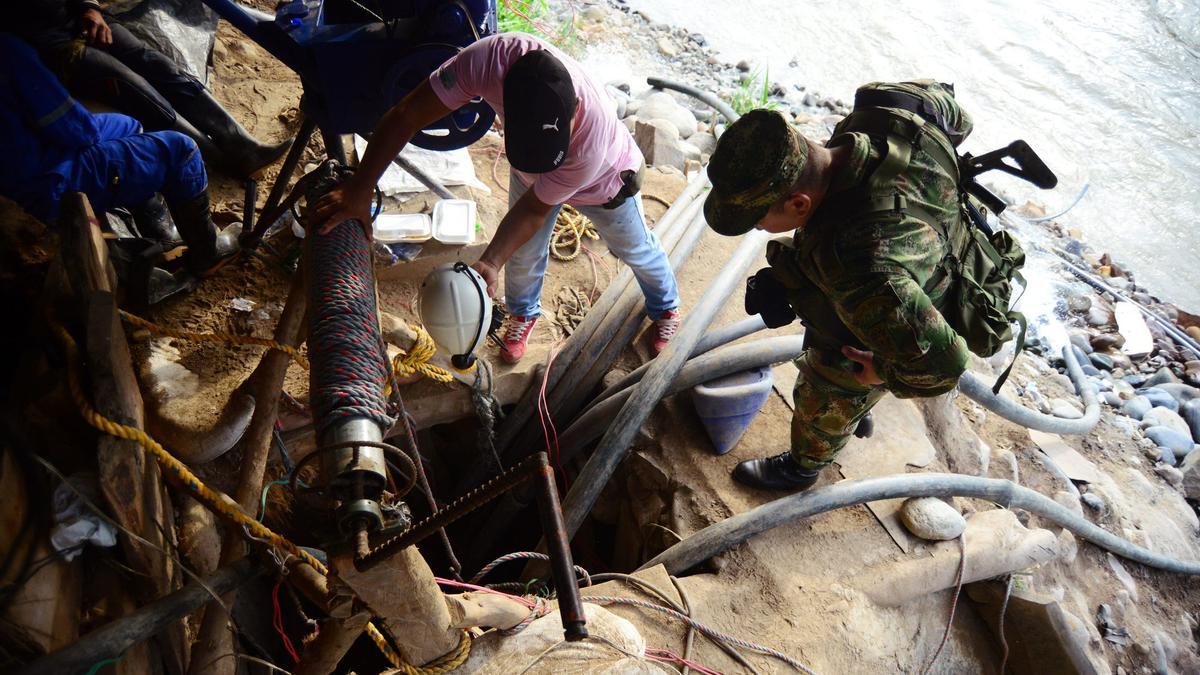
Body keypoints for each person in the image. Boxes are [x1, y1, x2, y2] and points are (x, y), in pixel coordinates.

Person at [311, 33, 682, 363]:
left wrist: (490, 259)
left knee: (635, 248)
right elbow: (407, 114)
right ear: (504, 99)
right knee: (522, 252)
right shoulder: (487, 61)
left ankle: (665, 307)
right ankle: (523, 314)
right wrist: (359, 189)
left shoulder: (590, 140)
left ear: (576, 111)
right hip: (533, 174)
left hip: (604, 184)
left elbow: (537, 208)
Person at [704, 81, 987, 492]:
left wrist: (884, 373)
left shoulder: (860, 266)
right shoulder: (885, 107)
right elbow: (958, 118)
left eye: (757, 218)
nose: (759, 228)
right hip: (938, 240)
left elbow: (945, 366)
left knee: (831, 377)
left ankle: (803, 466)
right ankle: (857, 405)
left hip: (925, 293)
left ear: (799, 204)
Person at [0, 33, 237, 291]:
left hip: (16, 165)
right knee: (182, 150)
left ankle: (160, 231)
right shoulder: (10, 53)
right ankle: (207, 253)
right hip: (48, 181)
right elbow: (76, 130)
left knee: (128, 125)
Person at [12, 0, 291, 179]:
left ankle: (241, 145)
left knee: (156, 63)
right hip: (50, 48)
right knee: (131, 84)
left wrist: (91, 8)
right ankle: (211, 157)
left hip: (80, 18)